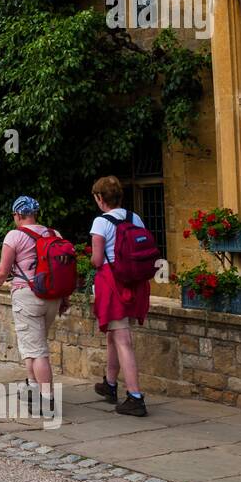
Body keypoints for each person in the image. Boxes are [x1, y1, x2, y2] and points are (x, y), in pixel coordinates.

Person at [0, 196, 69, 413]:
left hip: (27, 296)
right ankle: (32, 388)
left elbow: (3, 270)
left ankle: (47, 399)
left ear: (19, 214)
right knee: (32, 345)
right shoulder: (54, 234)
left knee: (38, 350)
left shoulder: (15, 236)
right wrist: (64, 298)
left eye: (14, 215)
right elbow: (62, 271)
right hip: (52, 297)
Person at [90, 175, 151, 417]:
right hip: (135, 283)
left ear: (100, 198)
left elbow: (96, 260)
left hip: (112, 282)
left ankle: (135, 397)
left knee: (123, 339)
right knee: (114, 336)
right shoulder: (134, 217)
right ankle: (110, 384)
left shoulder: (100, 222)